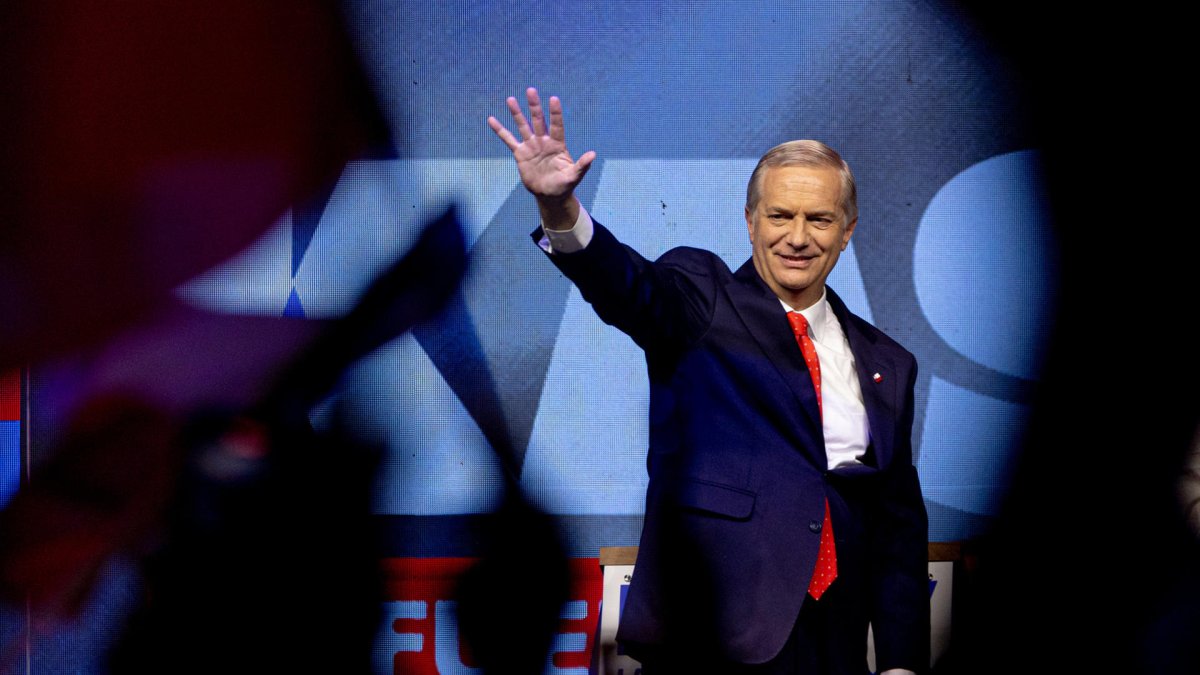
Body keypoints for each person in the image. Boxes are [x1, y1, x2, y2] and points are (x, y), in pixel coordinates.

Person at [489, 88, 928, 674]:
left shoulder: (887, 362)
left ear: (846, 231)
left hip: (833, 647)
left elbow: (897, 528)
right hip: (708, 641)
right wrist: (561, 212)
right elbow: (629, 287)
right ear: (751, 222)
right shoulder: (703, 301)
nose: (798, 238)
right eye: (780, 216)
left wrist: (901, 663)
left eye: (819, 219)